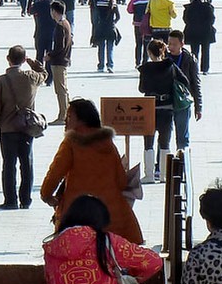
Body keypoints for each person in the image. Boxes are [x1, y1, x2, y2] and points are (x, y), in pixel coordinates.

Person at [40, 99, 144, 243]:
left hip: (78, 214)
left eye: (69, 116)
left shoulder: (71, 143)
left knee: (78, 250)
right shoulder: (108, 143)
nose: (65, 121)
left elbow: (55, 173)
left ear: (81, 120)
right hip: (113, 215)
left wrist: (46, 195)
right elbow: (121, 181)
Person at [0, 44, 46, 210]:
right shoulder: (31, 77)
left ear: (8, 59)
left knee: (8, 165)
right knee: (27, 164)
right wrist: (32, 63)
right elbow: (44, 74)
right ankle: (26, 200)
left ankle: (10, 200)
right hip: (27, 128)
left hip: (7, 129)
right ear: (23, 59)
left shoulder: (0, 81)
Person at [137, 38, 192, 184]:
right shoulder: (171, 66)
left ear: (149, 53)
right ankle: (164, 175)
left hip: (150, 108)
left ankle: (149, 175)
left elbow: (142, 88)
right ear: (163, 52)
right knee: (165, 142)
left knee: (148, 142)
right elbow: (185, 81)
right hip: (167, 108)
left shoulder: (145, 68)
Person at [46, 0, 73, 124]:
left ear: (54, 11)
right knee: (64, 89)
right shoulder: (66, 23)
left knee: (60, 90)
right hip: (64, 59)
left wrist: (49, 55)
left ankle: (63, 116)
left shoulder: (60, 26)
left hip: (58, 61)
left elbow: (59, 46)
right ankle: (67, 113)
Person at [182, 0, 216, 74]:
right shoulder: (208, 7)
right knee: (206, 51)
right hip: (205, 32)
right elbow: (212, 19)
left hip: (193, 31)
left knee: (194, 51)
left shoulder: (189, 7)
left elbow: (185, 19)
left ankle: (194, 68)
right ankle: (205, 69)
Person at [89, 0, 119, 72]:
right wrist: (113, 22)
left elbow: (97, 16)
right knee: (110, 48)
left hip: (101, 28)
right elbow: (118, 17)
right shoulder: (113, 5)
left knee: (101, 48)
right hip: (110, 28)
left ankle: (101, 65)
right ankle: (110, 65)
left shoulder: (99, 4)